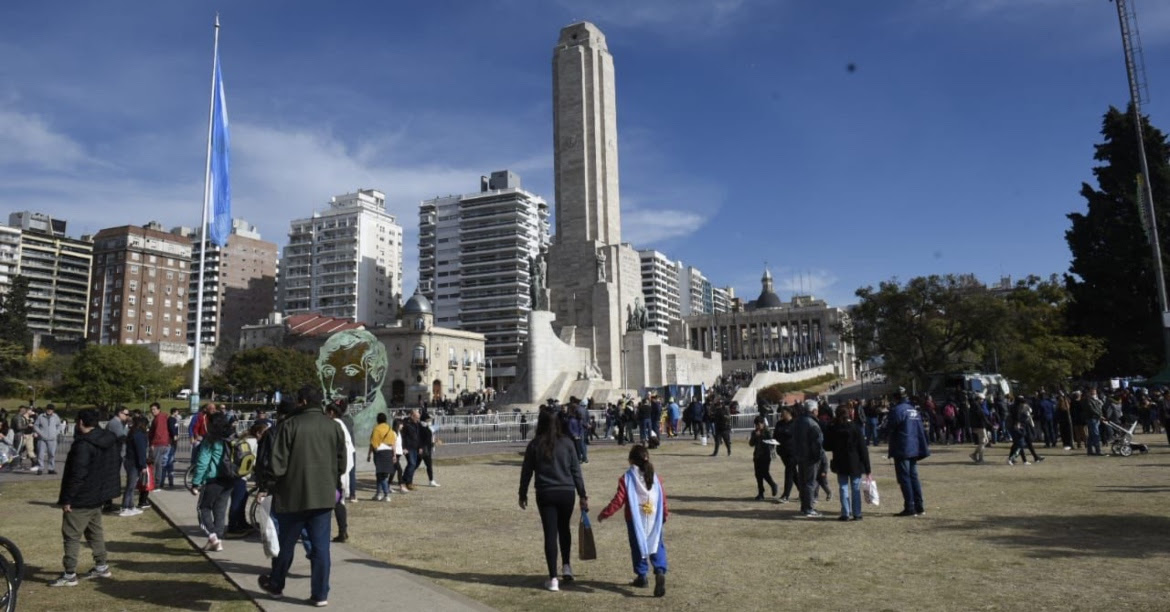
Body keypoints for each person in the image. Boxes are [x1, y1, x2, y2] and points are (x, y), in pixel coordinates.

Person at [257, 388, 346, 606]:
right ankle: (320, 593)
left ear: (303, 401)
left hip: (292, 494)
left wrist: (268, 485)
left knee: (286, 545)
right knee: (320, 548)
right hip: (323, 495)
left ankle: (276, 584)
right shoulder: (333, 427)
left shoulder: (289, 426)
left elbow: (277, 464)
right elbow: (342, 462)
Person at [518, 408, 589, 592]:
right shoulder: (567, 443)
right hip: (566, 491)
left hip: (546, 492)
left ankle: (553, 578)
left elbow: (526, 472)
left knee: (550, 533)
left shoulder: (535, 445)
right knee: (564, 528)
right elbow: (576, 472)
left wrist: (522, 493)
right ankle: (566, 565)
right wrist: (582, 494)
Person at [51, 409, 121, 587]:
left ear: (81, 422)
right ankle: (101, 565)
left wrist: (68, 499)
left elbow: (77, 474)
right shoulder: (107, 439)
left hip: (82, 496)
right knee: (94, 532)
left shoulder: (83, 445)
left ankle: (69, 573)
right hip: (97, 494)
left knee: (72, 535)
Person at [598, 444, 668, 597]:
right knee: (656, 545)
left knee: (638, 548)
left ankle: (642, 576)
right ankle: (660, 571)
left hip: (634, 520)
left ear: (631, 461)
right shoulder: (655, 477)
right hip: (654, 519)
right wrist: (665, 514)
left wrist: (605, 513)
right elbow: (662, 497)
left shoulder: (627, 478)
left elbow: (619, 499)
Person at [190, 412, 237, 552]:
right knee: (220, 510)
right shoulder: (232, 436)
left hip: (214, 478)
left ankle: (213, 536)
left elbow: (203, 462)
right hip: (230, 478)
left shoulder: (210, 440)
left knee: (203, 508)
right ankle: (218, 539)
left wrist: (195, 482)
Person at [886, 388, 930, 517]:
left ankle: (910, 507)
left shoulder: (898, 410)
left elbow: (890, 426)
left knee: (904, 478)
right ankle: (919, 505)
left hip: (902, 447)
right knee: (914, 477)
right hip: (914, 446)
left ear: (896, 398)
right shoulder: (913, 410)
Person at [824, 405, 871, 521]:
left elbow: (826, 446)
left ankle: (845, 513)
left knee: (843, 487)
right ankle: (857, 513)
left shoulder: (833, 428)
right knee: (855, 488)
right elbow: (863, 449)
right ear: (849, 414)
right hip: (855, 462)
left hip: (840, 461)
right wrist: (867, 468)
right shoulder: (855, 428)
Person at [327, 401, 356, 543]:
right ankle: (343, 530)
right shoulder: (343, 425)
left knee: (334, 502)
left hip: (335, 472)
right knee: (339, 502)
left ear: (331, 412)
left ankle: (339, 531)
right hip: (341, 471)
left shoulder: (335, 425)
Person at [792, 400, 824, 517]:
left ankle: (804, 506)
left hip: (800, 456)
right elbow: (818, 443)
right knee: (810, 483)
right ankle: (809, 508)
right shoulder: (813, 424)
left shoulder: (798, 421)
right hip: (810, 457)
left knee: (803, 481)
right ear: (814, 410)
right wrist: (818, 456)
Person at [119, 415, 150, 516]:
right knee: (131, 486)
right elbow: (141, 452)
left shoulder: (133, 433)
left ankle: (130, 505)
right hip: (134, 462)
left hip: (130, 461)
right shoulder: (139, 435)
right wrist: (143, 465)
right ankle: (125, 507)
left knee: (131, 485)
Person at [749, 416, 778, 500]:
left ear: (763, 423)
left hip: (766, 455)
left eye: (758, 424)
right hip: (757, 455)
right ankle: (761, 493)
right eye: (756, 425)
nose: (757, 426)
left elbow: (772, 443)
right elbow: (751, 444)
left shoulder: (767, 431)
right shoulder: (754, 432)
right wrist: (755, 436)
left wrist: (761, 436)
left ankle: (773, 485)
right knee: (758, 475)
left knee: (765, 473)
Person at [368, 413, 396, 501]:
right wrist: (394, 455)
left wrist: (369, 454)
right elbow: (393, 443)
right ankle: (378, 494)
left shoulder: (376, 429)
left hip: (380, 453)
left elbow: (373, 443)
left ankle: (386, 494)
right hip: (389, 452)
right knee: (380, 474)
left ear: (377, 420)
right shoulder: (389, 429)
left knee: (381, 475)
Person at [771, 407, 796, 503]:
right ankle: (803, 493)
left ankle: (786, 495)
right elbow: (775, 435)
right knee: (793, 473)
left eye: (784, 412)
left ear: (789, 413)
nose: (782, 414)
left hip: (792, 452)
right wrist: (773, 443)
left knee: (789, 472)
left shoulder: (795, 423)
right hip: (782, 451)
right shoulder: (779, 423)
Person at [33, 403, 63, 475]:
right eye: (48, 409)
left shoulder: (56, 417)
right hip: (42, 439)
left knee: (52, 454)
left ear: (53, 410)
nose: (49, 411)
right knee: (40, 454)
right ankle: (40, 469)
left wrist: (56, 433)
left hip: (52, 439)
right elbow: (35, 426)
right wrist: (40, 433)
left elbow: (59, 426)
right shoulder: (41, 416)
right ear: (46, 409)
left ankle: (51, 469)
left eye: (51, 409)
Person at [400, 409, 423, 491]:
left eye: (418, 418)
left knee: (414, 464)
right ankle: (408, 482)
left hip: (416, 447)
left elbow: (419, 436)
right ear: (412, 416)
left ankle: (404, 479)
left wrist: (420, 447)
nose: (418, 419)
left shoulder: (417, 424)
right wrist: (404, 447)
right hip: (408, 447)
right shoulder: (406, 424)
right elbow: (402, 437)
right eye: (417, 417)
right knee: (412, 464)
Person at [420, 417, 440, 487]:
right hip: (425, 450)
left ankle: (405, 479)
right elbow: (425, 440)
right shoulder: (424, 428)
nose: (430, 422)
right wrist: (433, 444)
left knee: (415, 465)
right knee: (428, 465)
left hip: (425, 449)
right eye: (429, 420)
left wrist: (433, 443)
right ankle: (431, 480)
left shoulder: (426, 428)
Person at [165, 408, 181, 488]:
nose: (178, 413)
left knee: (171, 456)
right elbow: (171, 428)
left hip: (174, 439)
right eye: (177, 412)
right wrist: (174, 435)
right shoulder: (171, 419)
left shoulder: (174, 419)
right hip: (172, 440)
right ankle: (169, 478)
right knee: (169, 458)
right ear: (174, 412)